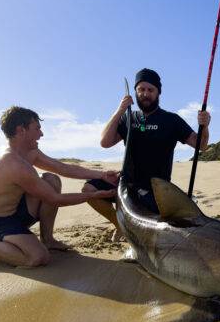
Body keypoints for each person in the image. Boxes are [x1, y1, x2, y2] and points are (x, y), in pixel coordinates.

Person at [0, 106, 118, 267]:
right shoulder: (12, 163)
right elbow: (54, 199)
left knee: (51, 180)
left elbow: (63, 168)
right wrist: (93, 195)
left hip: (13, 213)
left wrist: (101, 175)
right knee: (37, 257)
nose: (41, 134)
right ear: (21, 130)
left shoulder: (28, 152)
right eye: (37, 128)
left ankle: (48, 239)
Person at [82, 68, 210, 237]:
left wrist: (205, 126)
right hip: (126, 183)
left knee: (161, 227)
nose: (145, 94)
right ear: (135, 92)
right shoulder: (128, 117)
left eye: (150, 90)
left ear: (158, 93)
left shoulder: (171, 120)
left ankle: (136, 225)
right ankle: (120, 223)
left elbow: (200, 145)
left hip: (156, 188)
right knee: (88, 189)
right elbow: (105, 142)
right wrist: (120, 110)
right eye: (141, 89)